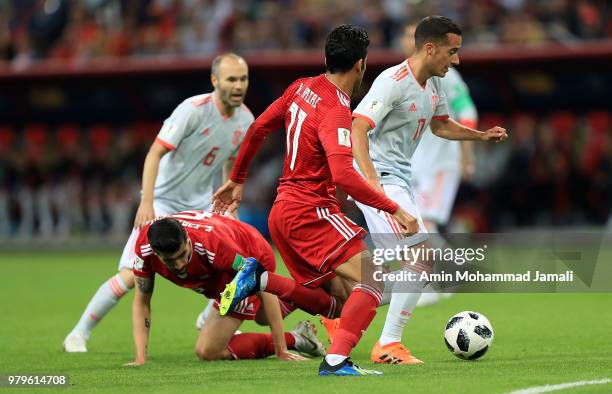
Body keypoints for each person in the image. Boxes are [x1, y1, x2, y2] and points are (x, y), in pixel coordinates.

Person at [212, 24, 418, 376]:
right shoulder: (336, 110)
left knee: (338, 304)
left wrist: (237, 178)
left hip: (282, 213)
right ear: (361, 65)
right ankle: (336, 361)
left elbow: (258, 128)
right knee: (376, 277)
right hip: (312, 211)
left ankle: (261, 281)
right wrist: (393, 207)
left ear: (326, 58)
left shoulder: (300, 87)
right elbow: (342, 175)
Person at [63, 53, 254, 352]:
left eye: (243, 78)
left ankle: (209, 316)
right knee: (130, 276)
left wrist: (229, 206)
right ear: (215, 80)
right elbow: (154, 153)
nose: (238, 85)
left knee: (238, 260)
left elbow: (229, 164)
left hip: (201, 205)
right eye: (231, 79)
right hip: (164, 202)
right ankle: (78, 334)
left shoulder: (246, 119)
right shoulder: (192, 110)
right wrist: (147, 202)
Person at [350, 16, 507, 365]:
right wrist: (373, 182)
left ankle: (338, 310)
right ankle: (388, 344)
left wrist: (480, 138)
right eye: (452, 51)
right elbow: (358, 125)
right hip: (381, 183)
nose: (456, 60)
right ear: (431, 48)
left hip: (399, 182)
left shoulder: (433, 85)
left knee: (412, 266)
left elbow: (440, 126)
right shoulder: (392, 81)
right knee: (420, 257)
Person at [125, 210, 325, 366]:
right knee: (262, 317)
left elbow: (262, 283)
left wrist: (281, 350)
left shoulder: (216, 247)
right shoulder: (144, 250)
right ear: (155, 253)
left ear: (187, 239)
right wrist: (140, 358)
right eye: (170, 260)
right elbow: (141, 302)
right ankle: (307, 294)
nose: (179, 265)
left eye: (182, 254)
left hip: (252, 254)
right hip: (220, 271)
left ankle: (297, 336)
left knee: (208, 351)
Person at [403, 22, 479, 307]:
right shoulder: (406, 77)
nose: (408, 40)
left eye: (412, 35)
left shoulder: (447, 75)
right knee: (415, 224)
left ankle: (435, 282)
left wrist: (467, 155)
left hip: (442, 163)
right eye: (406, 35)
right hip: (417, 166)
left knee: (424, 223)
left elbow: (468, 111)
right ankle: (458, 267)